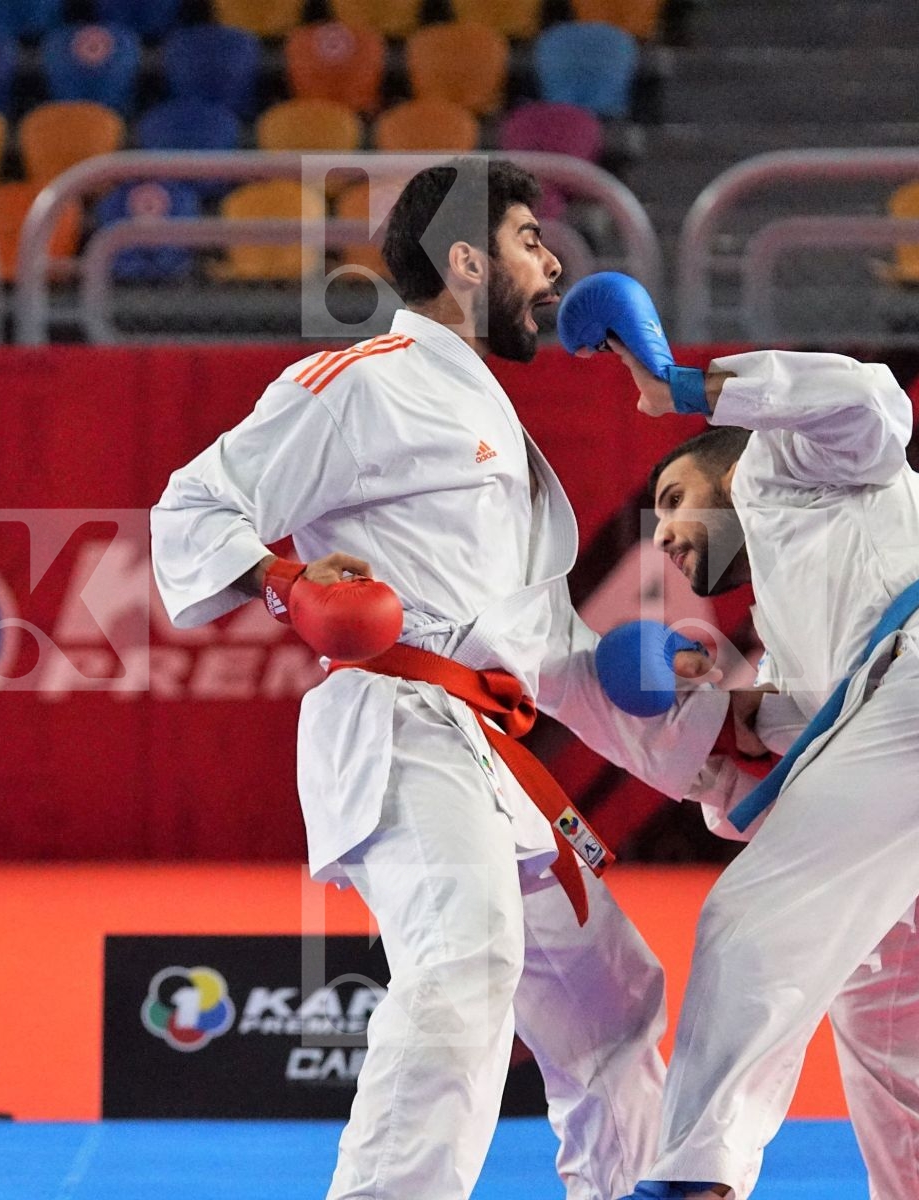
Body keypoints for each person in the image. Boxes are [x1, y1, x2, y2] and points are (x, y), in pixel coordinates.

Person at [151, 161, 730, 1200]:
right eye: (528, 242)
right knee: (461, 969)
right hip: (400, 723)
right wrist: (281, 578)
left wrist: (658, 702)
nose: (553, 265)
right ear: (465, 262)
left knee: (612, 1003)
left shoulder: (490, 418)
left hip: (483, 748)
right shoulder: (365, 379)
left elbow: (535, 655)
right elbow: (195, 505)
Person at [559, 280, 919, 1200]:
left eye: (673, 498)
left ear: (730, 462)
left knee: (752, 922)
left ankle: (693, 1178)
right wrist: (729, 715)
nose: (662, 533)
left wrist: (684, 386)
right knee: (902, 1038)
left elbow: (871, 400)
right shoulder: (796, 631)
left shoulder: (795, 462)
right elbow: (805, 762)